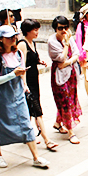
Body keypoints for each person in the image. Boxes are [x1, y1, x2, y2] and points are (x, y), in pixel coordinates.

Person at [0, 25, 50, 168]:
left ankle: (36, 157)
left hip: (18, 97)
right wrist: (11, 75)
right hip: (2, 99)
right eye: (9, 37)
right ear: (1, 39)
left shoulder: (18, 54)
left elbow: (22, 73)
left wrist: (24, 85)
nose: (13, 39)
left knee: (27, 125)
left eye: (14, 36)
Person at [18, 19, 58, 150]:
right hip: (27, 81)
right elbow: (22, 65)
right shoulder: (22, 44)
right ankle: (47, 140)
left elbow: (33, 58)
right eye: (34, 30)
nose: (37, 32)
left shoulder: (32, 43)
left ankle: (26, 136)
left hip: (35, 80)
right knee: (37, 110)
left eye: (37, 29)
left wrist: (39, 61)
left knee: (29, 110)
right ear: (27, 31)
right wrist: (24, 84)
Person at [48, 16, 82, 144]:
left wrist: (68, 62)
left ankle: (58, 123)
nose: (63, 31)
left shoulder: (69, 37)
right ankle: (71, 131)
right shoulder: (52, 42)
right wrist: (66, 44)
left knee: (70, 97)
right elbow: (61, 58)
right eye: (60, 28)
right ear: (55, 29)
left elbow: (76, 54)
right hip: (59, 75)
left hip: (71, 73)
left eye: (65, 27)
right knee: (65, 100)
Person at [75, 4, 88, 106]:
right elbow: (78, 41)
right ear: (87, 14)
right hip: (85, 54)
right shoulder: (81, 26)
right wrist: (81, 55)